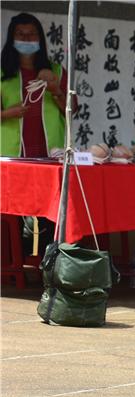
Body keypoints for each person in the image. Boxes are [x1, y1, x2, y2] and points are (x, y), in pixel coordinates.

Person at [1, 13, 70, 254]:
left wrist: (55, 89)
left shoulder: (55, 70)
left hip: (49, 155)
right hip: (11, 156)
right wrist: (7, 113)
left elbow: (72, 111)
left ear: (40, 38)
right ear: (11, 38)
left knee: (52, 214)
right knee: (11, 214)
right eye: (21, 34)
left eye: (32, 34)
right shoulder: (2, 72)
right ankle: (14, 267)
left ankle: (48, 266)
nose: (27, 38)